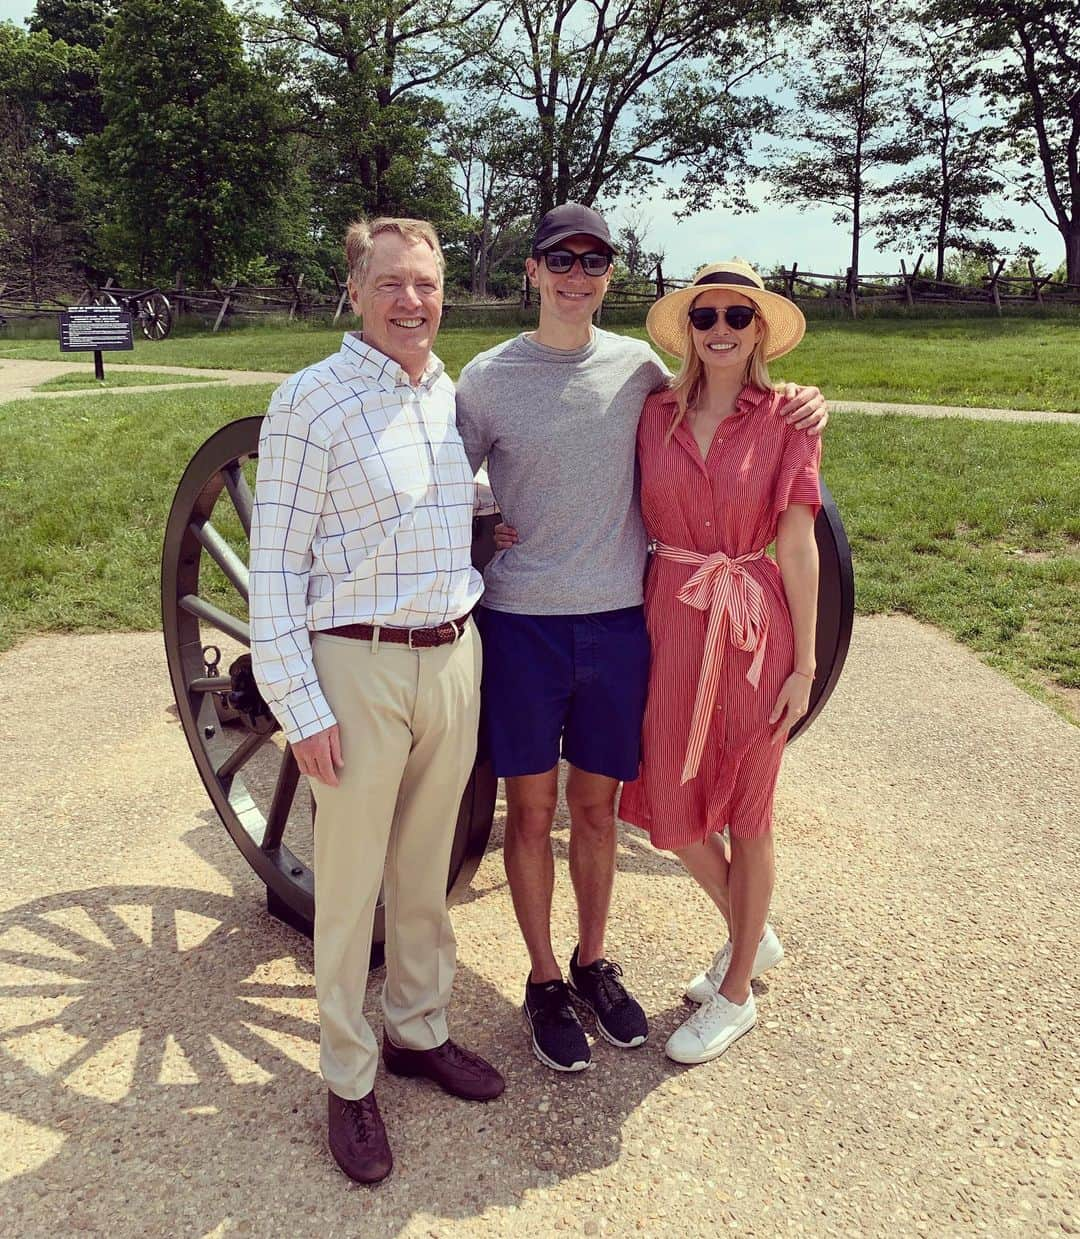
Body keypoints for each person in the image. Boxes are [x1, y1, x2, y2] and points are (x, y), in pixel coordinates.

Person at [456, 204, 827, 1074]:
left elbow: (778, 491)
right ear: (533, 271)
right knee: (546, 806)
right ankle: (545, 977)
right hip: (530, 622)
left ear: (610, 278)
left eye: (594, 262)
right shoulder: (498, 378)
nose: (576, 275)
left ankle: (599, 960)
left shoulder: (639, 373)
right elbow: (449, 467)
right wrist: (484, 516)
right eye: (561, 259)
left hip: (629, 622)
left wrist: (807, 401)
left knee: (611, 804)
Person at [249, 217, 503, 1187]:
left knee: (426, 873)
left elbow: (458, 504)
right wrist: (298, 707)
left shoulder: (447, 392)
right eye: (392, 284)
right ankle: (349, 1080)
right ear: (354, 290)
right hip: (356, 667)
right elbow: (272, 571)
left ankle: (418, 1031)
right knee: (350, 888)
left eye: (427, 286)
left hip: (451, 657)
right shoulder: (309, 402)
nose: (412, 302)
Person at [618, 260, 821, 1065]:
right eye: (708, 317)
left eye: (740, 316)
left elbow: (799, 544)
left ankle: (736, 993)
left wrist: (804, 665)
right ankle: (752, 931)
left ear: (760, 328)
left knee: (749, 809)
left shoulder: (787, 420)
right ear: (690, 328)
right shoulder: (653, 411)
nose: (724, 330)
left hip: (751, 630)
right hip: (669, 615)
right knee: (667, 804)